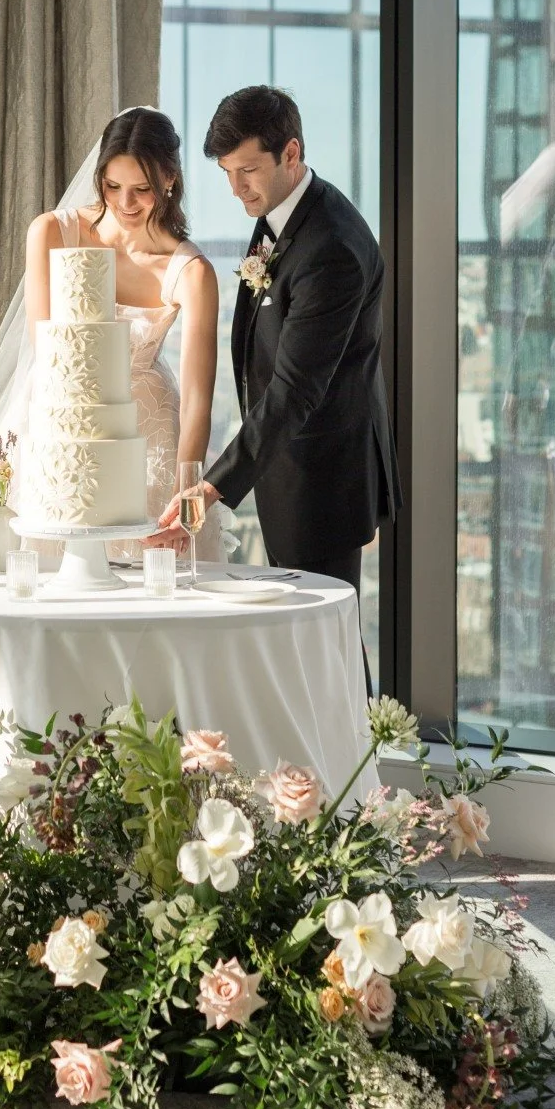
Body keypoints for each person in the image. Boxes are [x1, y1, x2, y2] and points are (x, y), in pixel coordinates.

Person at [152, 86, 401, 686]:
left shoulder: (331, 247)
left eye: (248, 171)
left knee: (328, 650)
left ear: (291, 153)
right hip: (287, 464)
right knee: (309, 647)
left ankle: (358, 749)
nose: (237, 189)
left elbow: (294, 391)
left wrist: (211, 488)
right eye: (227, 174)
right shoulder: (282, 213)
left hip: (324, 475)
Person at [23, 107, 222, 561]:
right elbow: (47, 352)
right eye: (112, 186)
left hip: (150, 436)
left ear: (170, 179)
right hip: (63, 428)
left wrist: (185, 494)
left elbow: (196, 401)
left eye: (142, 189)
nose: (125, 203)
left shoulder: (191, 271)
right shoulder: (51, 232)